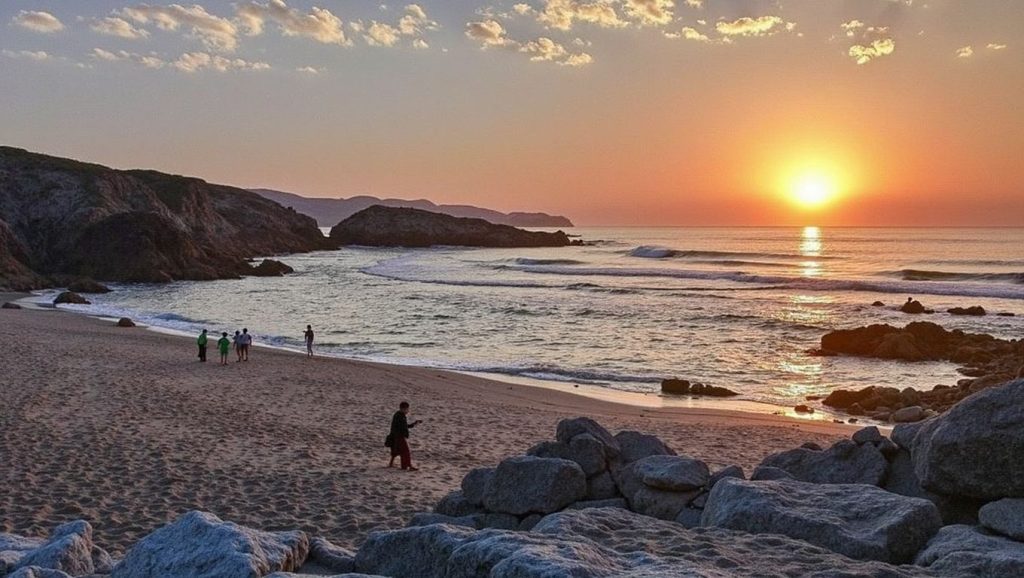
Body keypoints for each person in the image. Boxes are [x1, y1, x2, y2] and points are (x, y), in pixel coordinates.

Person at [388, 401, 422, 471]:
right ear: (403, 409)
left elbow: (405, 426)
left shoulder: (398, 415)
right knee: (405, 451)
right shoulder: (400, 416)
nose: (407, 411)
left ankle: (393, 464)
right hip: (399, 436)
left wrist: (414, 424)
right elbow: (403, 427)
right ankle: (407, 466)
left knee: (397, 451)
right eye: (407, 409)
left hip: (396, 436)